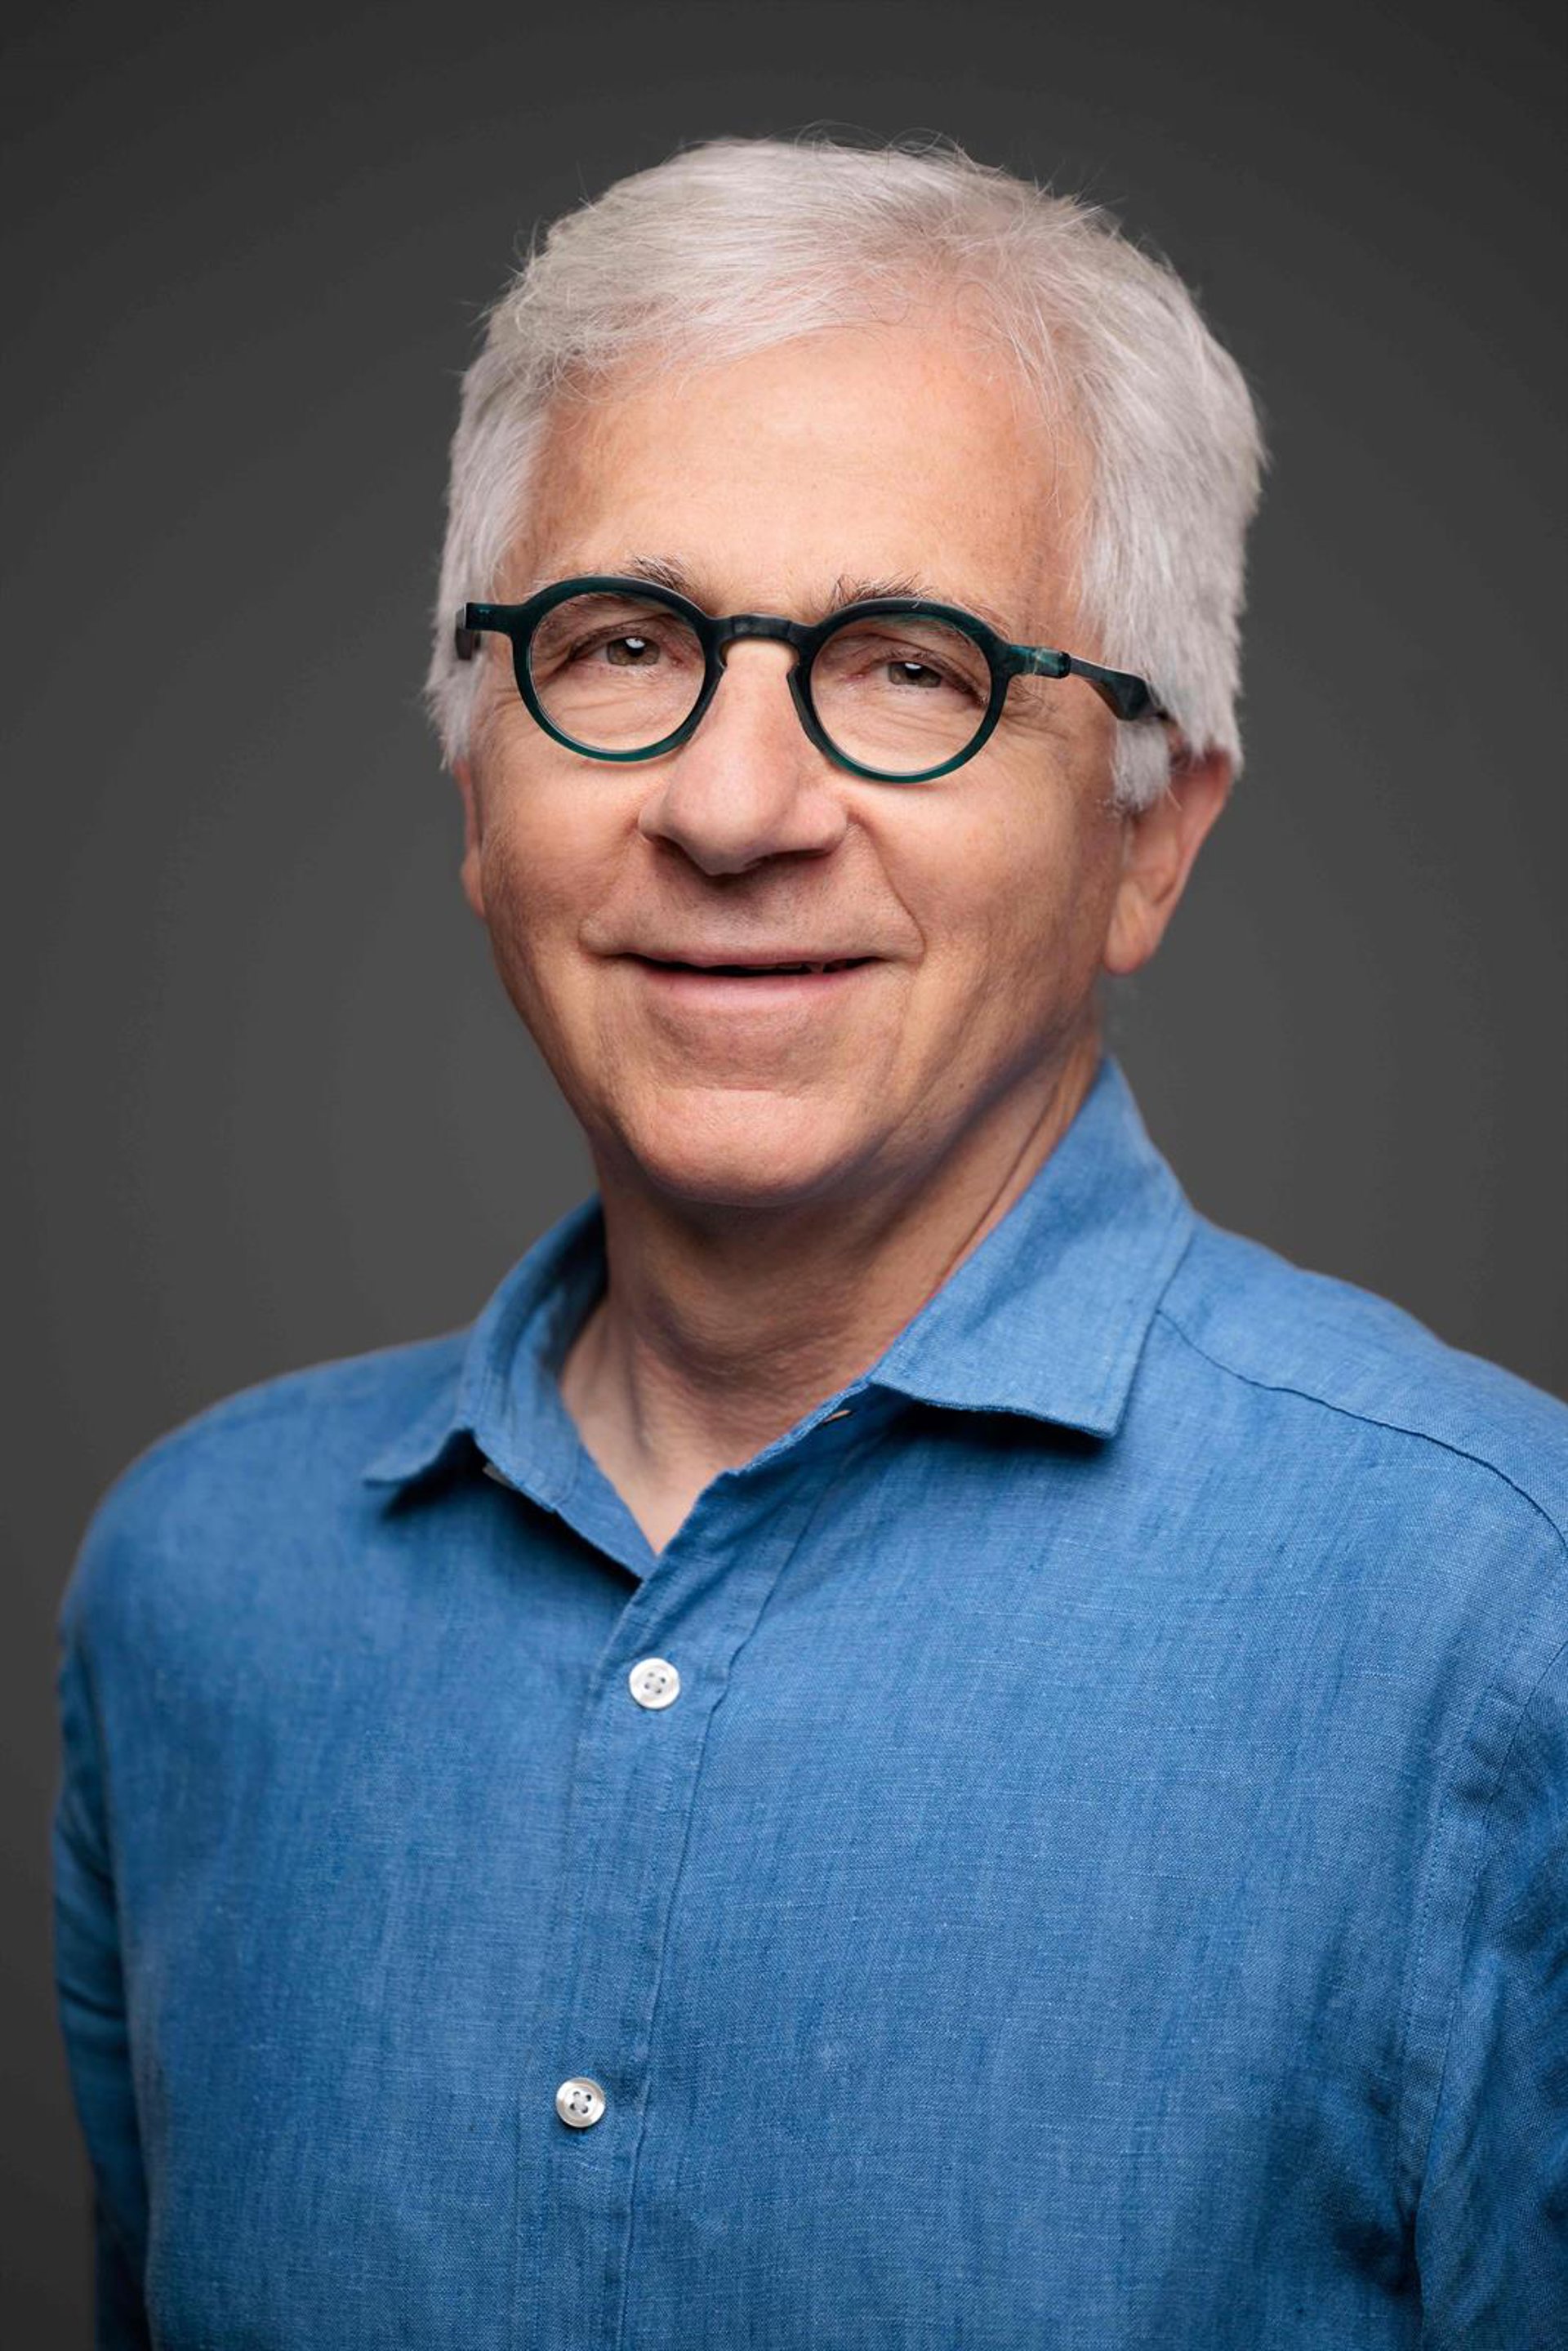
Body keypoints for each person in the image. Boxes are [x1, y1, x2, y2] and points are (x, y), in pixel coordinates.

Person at [52, 133, 1566, 2349]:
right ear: (476, 787)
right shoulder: (195, 1595)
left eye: (907, 665)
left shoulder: (1498, 1618)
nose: (733, 808)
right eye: (618, 643)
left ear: (1152, 832)